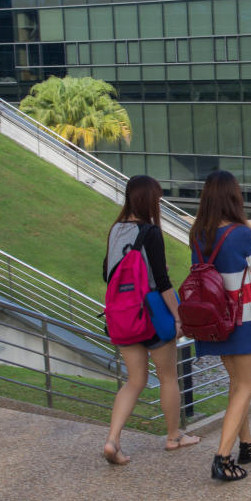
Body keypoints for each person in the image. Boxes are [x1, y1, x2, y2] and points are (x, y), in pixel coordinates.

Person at [102, 175, 199, 465]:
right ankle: (173, 437)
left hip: (123, 315)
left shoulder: (115, 230)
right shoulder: (151, 232)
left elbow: (108, 274)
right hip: (153, 314)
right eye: (157, 198)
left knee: (135, 380)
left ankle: (112, 440)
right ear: (149, 200)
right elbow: (164, 283)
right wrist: (179, 316)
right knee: (168, 376)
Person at [191, 170, 251, 481]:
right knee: (246, 384)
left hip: (215, 317)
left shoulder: (198, 232)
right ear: (233, 195)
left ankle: (247, 444)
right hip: (243, 318)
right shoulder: (241, 233)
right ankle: (222, 457)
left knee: (236, 383)